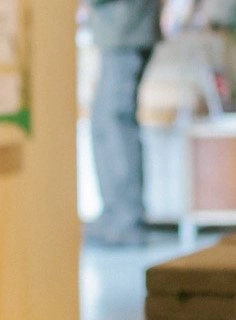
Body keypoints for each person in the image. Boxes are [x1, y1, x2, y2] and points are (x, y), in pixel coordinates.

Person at [87, 0, 164, 247]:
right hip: (122, 30)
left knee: (115, 126)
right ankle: (116, 214)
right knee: (107, 124)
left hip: (127, 30)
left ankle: (125, 219)